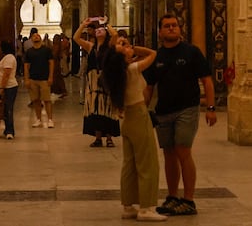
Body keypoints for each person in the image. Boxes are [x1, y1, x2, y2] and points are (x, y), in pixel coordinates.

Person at [142, 12, 216, 216]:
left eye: (174, 25)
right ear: (160, 31)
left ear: (180, 29)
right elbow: (149, 87)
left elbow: (207, 81)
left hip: (187, 109)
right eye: (167, 26)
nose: (172, 28)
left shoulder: (191, 52)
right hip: (164, 111)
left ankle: (189, 200)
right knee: (169, 154)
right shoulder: (157, 57)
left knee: (183, 150)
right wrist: (142, 110)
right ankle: (173, 197)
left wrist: (210, 108)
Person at [101, 36, 168, 221]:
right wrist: (134, 48)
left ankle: (128, 206)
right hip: (138, 114)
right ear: (122, 58)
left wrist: (125, 51)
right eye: (125, 47)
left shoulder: (118, 73)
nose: (128, 46)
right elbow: (153, 53)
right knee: (148, 162)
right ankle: (146, 208)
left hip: (127, 119)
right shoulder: (131, 69)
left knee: (129, 164)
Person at [74, 16, 121, 147]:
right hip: (93, 81)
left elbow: (115, 34)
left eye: (102, 30)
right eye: (97, 29)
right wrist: (83, 24)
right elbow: (76, 38)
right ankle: (98, 137)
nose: (99, 30)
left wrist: (106, 24)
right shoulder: (91, 47)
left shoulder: (110, 46)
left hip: (107, 80)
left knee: (108, 107)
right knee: (95, 107)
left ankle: (109, 138)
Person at [24, 32, 55, 128]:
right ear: (31, 39)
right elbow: (26, 66)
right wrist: (27, 79)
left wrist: (50, 77)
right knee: (36, 100)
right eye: (34, 36)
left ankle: (50, 119)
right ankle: (38, 119)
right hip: (33, 78)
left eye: (37, 35)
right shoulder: (29, 52)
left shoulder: (46, 50)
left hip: (44, 79)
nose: (36, 37)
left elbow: (51, 63)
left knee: (47, 100)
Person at [0, 40, 19, 140]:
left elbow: (6, 74)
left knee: (8, 108)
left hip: (9, 87)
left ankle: (10, 131)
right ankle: (7, 130)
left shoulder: (9, 58)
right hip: (5, 86)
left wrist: (2, 87)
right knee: (5, 109)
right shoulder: (5, 58)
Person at [50, 33, 68, 98]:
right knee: (58, 77)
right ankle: (60, 90)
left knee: (56, 77)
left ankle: (59, 90)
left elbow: (54, 54)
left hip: (55, 63)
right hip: (56, 63)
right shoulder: (58, 45)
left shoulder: (57, 46)